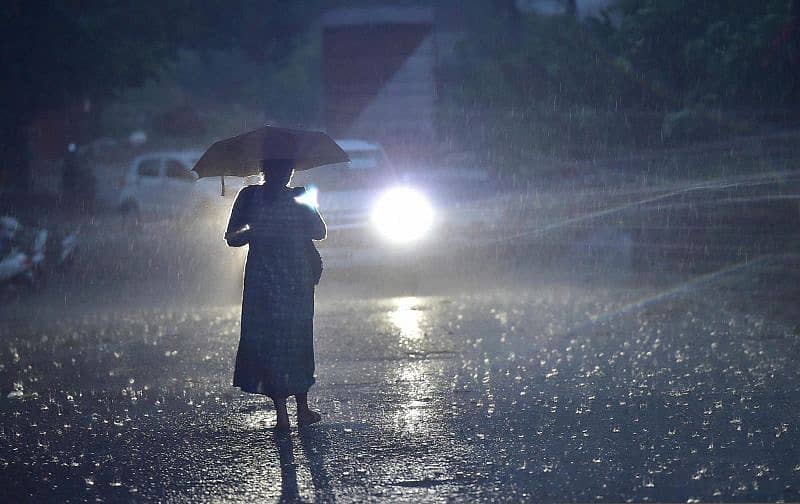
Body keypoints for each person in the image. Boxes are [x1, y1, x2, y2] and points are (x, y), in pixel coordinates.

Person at [225, 159, 326, 431]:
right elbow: (232, 236)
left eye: (286, 169)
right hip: (284, 280)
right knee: (291, 340)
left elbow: (319, 231)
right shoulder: (282, 196)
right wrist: (261, 227)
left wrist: (258, 227)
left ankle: (291, 412)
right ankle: (293, 411)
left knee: (282, 341)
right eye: (282, 169)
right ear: (270, 171)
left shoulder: (257, 197)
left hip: (275, 281)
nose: (284, 174)